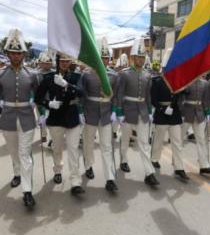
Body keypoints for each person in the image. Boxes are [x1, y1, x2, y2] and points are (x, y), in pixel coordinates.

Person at [0, 29, 40, 209]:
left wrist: (43, 113)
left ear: (24, 54)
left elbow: (39, 96)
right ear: (8, 53)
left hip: (27, 117)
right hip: (8, 117)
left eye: (19, 53)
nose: (16, 56)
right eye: (13, 52)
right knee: (13, 151)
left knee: (25, 153)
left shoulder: (33, 73)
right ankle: (17, 172)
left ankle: (27, 191)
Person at [35, 53, 85, 195]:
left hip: (72, 115)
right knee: (57, 148)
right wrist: (48, 104)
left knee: (73, 150)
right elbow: (38, 97)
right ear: (57, 61)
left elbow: (81, 93)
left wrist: (67, 85)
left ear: (70, 62)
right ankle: (58, 169)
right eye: (62, 60)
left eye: (67, 60)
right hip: (56, 117)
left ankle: (75, 181)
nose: (64, 63)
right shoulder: (48, 78)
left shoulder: (76, 77)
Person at [116, 39, 159, 187]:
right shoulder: (124, 74)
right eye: (138, 57)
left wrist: (150, 110)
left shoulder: (148, 75)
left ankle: (149, 173)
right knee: (126, 139)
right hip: (127, 111)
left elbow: (148, 96)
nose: (140, 59)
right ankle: (123, 159)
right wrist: (119, 112)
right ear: (132, 58)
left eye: (142, 57)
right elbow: (119, 94)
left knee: (144, 142)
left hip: (142, 112)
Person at [78, 45, 119, 192]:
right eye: (102, 58)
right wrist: (81, 111)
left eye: (106, 58)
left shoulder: (114, 75)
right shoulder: (87, 74)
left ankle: (110, 178)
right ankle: (88, 165)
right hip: (90, 112)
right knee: (89, 143)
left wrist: (115, 111)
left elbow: (116, 96)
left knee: (107, 146)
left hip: (106, 113)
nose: (104, 60)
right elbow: (81, 94)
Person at [150, 49, 189, 180]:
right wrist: (162, 109)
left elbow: (185, 93)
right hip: (162, 114)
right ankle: (154, 159)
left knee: (177, 142)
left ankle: (179, 167)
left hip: (174, 114)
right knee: (158, 140)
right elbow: (153, 100)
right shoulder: (156, 81)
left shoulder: (177, 81)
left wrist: (184, 87)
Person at [180, 73, 210, 175]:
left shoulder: (205, 83)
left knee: (201, 140)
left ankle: (204, 165)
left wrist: (208, 113)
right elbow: (181, 97)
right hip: (187, 112)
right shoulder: (187, 81)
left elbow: (206, 100)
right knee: (180, 138)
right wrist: (180, 112)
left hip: (199, 114)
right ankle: (177, 163)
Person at [36, 53, 56, 142]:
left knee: (52, 119)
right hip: (40, 100)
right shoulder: (36, 74)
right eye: (45, 63)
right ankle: (43, 134)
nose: (47, 65)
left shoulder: (55, 73)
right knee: (41, 118)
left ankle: (52, 137)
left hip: (52, 100)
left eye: (49, 63)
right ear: (41, 63)